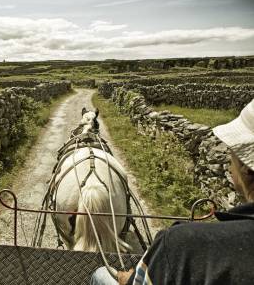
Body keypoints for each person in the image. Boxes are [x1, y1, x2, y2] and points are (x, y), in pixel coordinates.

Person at [91, 99, 254, 285]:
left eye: (231, 154)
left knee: (101, 273)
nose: (228, 163)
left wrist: (126, 279)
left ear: (246, 169)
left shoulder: (179, 244)